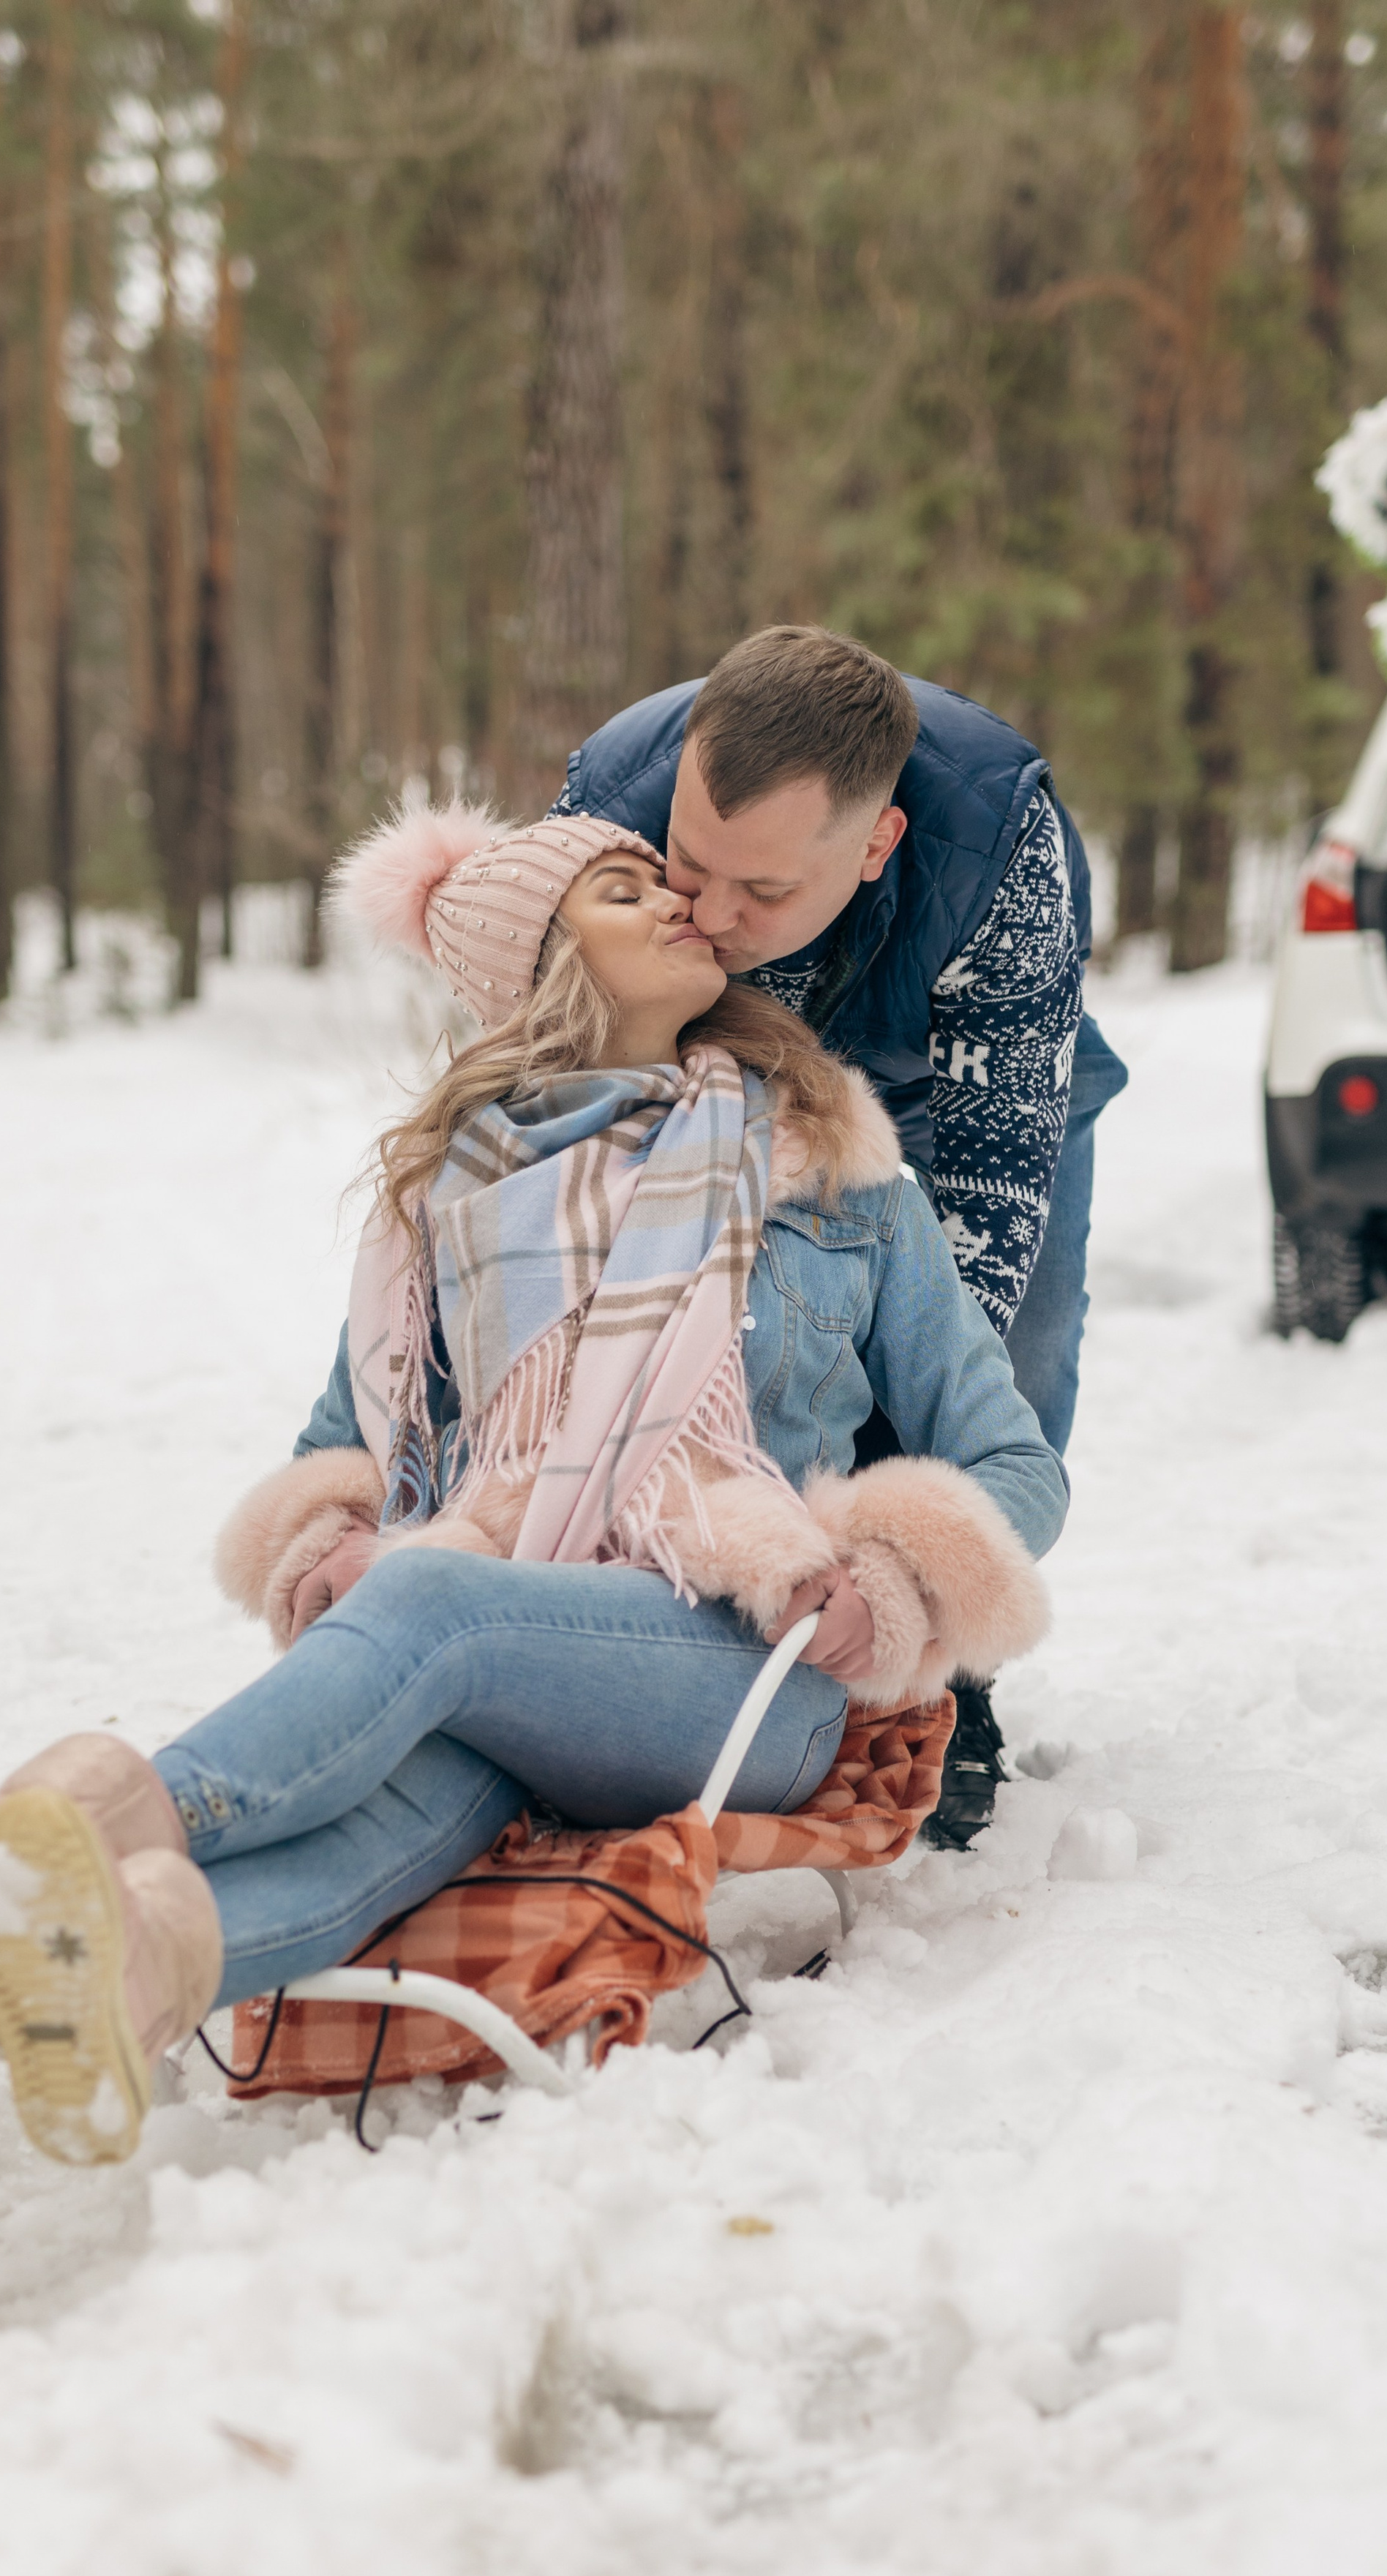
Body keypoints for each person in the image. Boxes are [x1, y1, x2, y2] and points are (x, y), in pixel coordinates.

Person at [0, 809, 1066, 2169]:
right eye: (625, 891)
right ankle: (133, 1975)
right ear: (543, 964)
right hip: (515, 1652)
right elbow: (340, 1444)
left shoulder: (833, 1169)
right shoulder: (449, 1196)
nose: (678, 904)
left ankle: (29, 1840)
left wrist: (893, 1577)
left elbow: (1015, 1464)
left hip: (745, 1664)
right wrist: (329, 1543)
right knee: (404, 1789)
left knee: (434, 1607)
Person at [552, 626, 1128, 1841]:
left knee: (1005, 1353)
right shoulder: (609, 796)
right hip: (723, 1074)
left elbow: (988, 1206)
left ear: (877, 844)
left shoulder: (1003, 845)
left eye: (763, 892)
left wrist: (900, 1520)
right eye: (690, 863)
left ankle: (947, 1668)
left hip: (957, 1089)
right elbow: (547, 1045)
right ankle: (697, 1624)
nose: (711, 912)